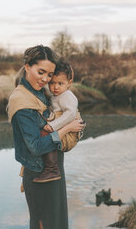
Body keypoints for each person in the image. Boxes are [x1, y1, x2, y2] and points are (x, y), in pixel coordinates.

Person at [7, 45, 85, 229]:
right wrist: (67, 129)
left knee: (57, 223)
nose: (45, 79)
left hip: (54, 168)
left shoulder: (41, 92)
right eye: (41, 72)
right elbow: (35, 147)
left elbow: (62, 112)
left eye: (49, 75)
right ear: (27, 66)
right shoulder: (21, 101)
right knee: (45, 225)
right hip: (39, 174)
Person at [33, 60, 83, 183]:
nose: (55, 87)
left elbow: (70, 114)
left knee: (45, 134)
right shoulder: (57, 95)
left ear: (69, 83)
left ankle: (52, 169)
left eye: (60, 83)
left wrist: (52, 125)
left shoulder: (67, 96)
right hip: (65, 129)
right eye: (52, 83)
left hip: (70, 134)